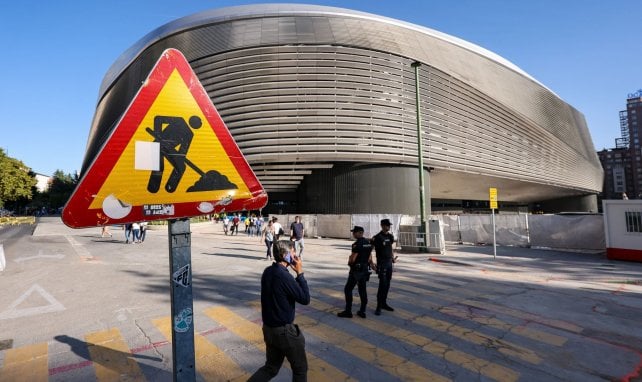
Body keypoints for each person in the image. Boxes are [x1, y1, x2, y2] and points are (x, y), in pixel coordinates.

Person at [248, 240, 309, 381]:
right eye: (293, 252)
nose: (295, 255)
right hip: (284, 332)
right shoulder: (284, 276)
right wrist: (300, 273)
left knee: (270, 368)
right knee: (300, 369)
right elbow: (305, 298)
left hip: (269, 329)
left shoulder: (268, 271)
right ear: (285, 254)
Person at [338, 226, 375, 319]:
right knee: (362, 290)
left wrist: (350, 263)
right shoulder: (368, 243)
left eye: (354, 232)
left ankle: (348, 311)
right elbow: (370, 257)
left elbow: (353, 258)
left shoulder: (356, 244)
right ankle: (362, 311)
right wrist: (372, 265)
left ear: (359, 233)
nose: (353, 234)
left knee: (348, 289)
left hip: (356, 271)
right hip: (365, 270)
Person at [372, 218, 396, 316]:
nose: (388, 227)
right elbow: (370, 250)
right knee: (382, 285)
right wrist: (372, 263)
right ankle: (378, 306)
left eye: (389, 225)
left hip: (389, 263)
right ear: (382, 225)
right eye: (386, 225)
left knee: (387, 284)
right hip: (381, 264)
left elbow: (390, 248)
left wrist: (393, 257)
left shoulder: (390, 236)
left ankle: (384, 303)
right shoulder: (377, 237)